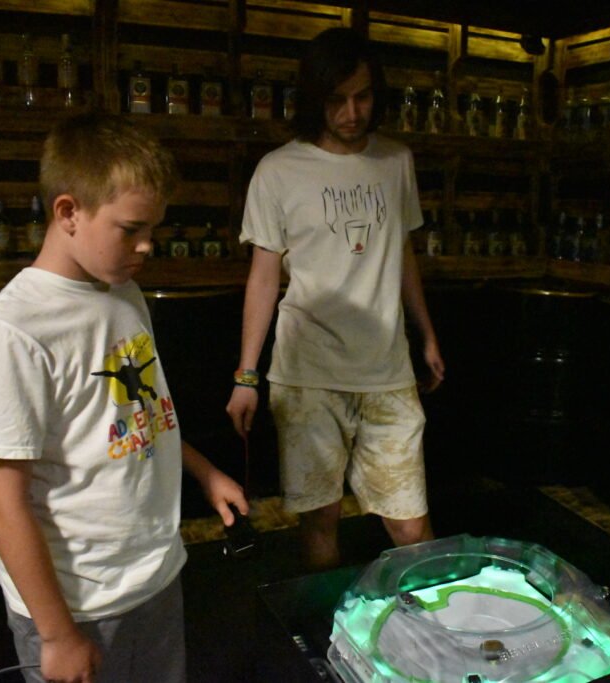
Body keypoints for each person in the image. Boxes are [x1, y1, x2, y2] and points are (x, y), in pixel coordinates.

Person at [0, 112, 249, 683]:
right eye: (130, 228)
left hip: (154, 577)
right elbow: (0, 499)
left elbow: (140, 414)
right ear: (68, 212)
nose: (146, 245)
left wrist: (204, 471)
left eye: (153, 229)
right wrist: (57, 634)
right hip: (78, 605)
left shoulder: (123, 292)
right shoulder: (12, 334)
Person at [226, 27, 445, 571]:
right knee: (320, 518)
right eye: (336, 99)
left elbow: (402, 255)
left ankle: (438, 615)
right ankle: (328, 619)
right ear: (314, 99)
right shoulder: (278, 170)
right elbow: (263, 277)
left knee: (409, 521)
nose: (351, 112)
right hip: (307, 373)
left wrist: (427, 334)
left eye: (363, 97)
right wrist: (246, 375)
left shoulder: (396, 160)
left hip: (386, 368)